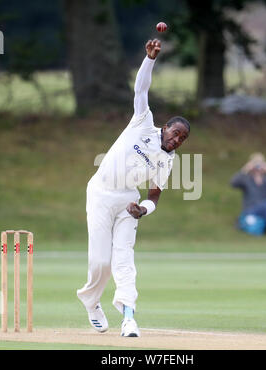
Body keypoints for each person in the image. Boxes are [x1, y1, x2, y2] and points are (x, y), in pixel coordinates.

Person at [77, 39, 190, 337]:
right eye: (176, 134)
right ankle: (91, 301)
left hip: (129, 201)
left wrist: (142, 209)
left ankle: (129, 316)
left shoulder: (169, 162)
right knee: (100, 261)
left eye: (182, 140)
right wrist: (149, 60)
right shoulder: (143, 122)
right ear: (166, 127)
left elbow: (154, 194)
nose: (176, 141)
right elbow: (141, 89)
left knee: (124, 258)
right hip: (101, 194)